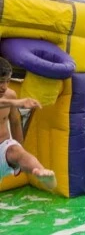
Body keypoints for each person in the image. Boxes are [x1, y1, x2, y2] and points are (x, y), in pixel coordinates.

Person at [0, 57, 56, 190]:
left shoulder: (10, 95)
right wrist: (17, 102)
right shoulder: (12, 100)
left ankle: (41, 173)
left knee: (16, 150)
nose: (4, 86)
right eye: (1, 82)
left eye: (7, 81)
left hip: (3, 148)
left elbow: (14, 122)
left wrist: (21, 148)